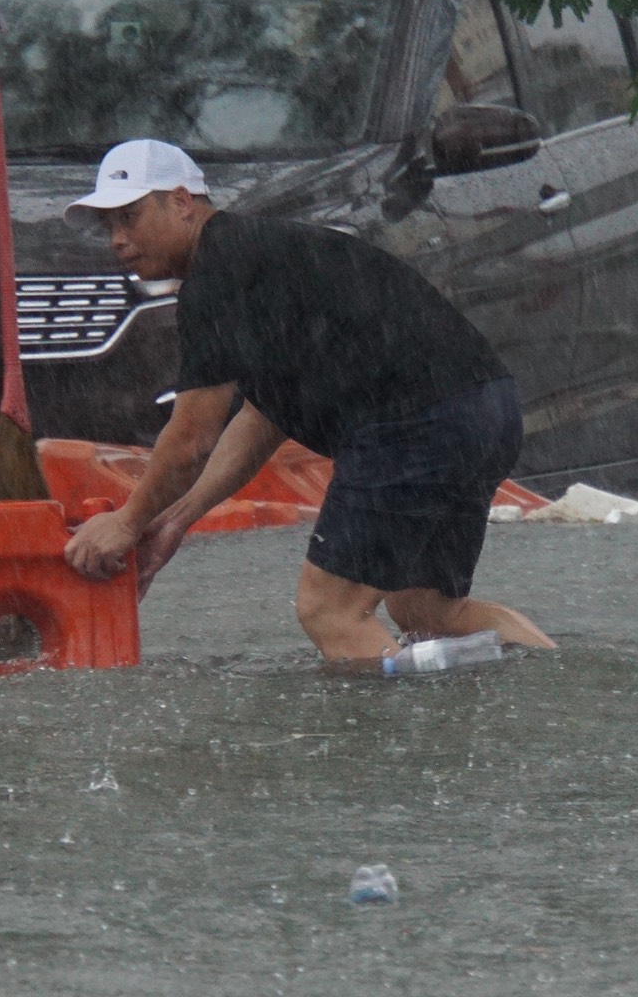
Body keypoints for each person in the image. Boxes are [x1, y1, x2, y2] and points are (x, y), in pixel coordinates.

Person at [58, 138, 556, 662]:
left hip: (414, 423)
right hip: (486, 408)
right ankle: (555, 683)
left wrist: (127, 522)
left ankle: (396, 744)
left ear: (181, 201)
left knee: (329, 611)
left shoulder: (216, 275)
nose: (117, 239)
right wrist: (175, 519)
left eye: (129, 217)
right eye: (108, 226)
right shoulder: (258, 253)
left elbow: (190, 440)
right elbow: (263, 417)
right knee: (429, 612)